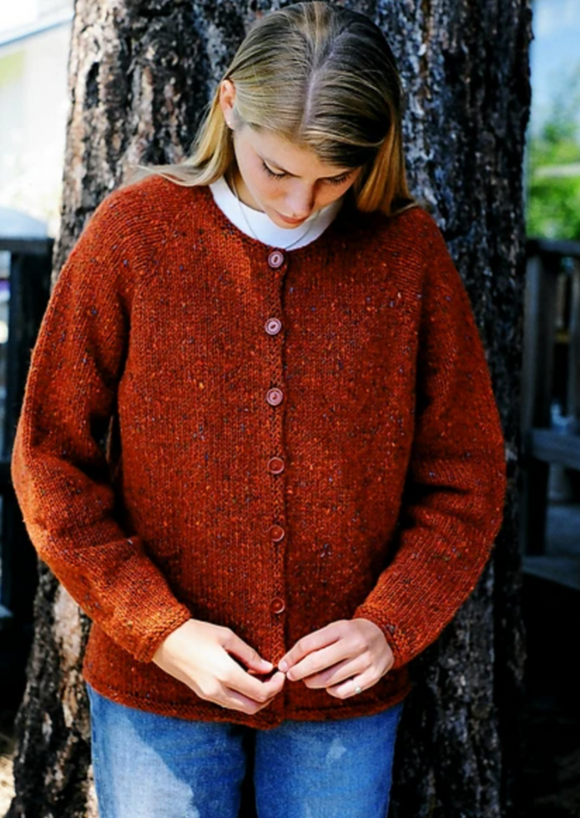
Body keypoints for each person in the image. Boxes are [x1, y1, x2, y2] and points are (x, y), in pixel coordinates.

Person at [10, 2, 507, 817]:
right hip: (154, 692)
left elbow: (468, 473)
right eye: (278, 170)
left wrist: (392, 622)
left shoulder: (406, 257)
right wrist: (159, 629)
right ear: (229, 102)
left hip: (337, 702)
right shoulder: (136, 236)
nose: (297, 204)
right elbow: (48, 458)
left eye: (334, 179)